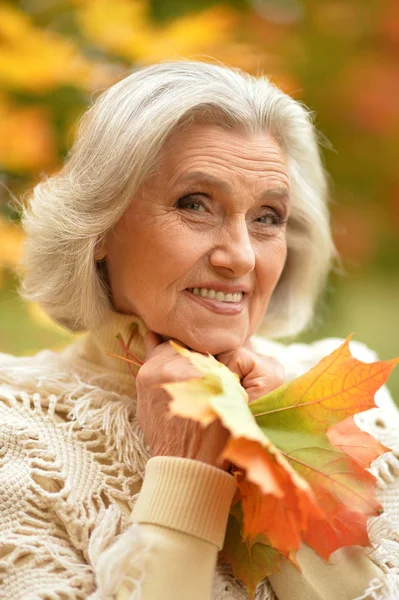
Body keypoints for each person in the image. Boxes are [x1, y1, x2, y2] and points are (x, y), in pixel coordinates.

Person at [0, 60, 398, 600]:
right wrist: (183, 473)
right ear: (99, 228)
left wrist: (288, 444)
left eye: (267, 216)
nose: (239, 257)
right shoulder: (17, 436)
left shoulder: (354, 409)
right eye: (195, 205)